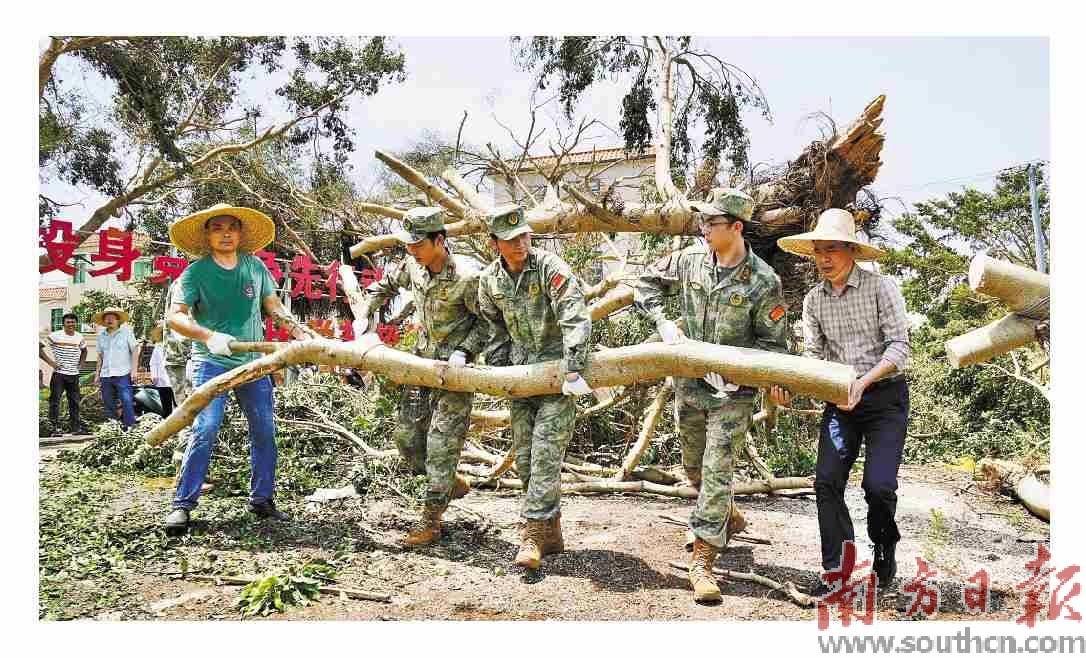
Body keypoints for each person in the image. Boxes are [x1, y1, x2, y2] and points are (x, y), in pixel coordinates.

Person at [633, 188, 791, 603]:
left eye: (711, 222)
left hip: (733, 394)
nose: (702, 228)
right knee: (695, 471)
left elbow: (775, 346)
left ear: (736, 228)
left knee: (718, 470)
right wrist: (664, 322)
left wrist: (748, 378)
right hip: (690, 385)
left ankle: (702, 561)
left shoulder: (763, 281)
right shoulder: (687, 261)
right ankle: (728, 515)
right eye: (702, 221)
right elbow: (643, 285)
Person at [777, 208, 911, 595]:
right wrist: (790, 385)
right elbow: (813, 358)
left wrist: (863, 383)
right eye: (818, 250)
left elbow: (900, 346)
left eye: (832, 248)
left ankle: (885, 549)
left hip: (885, 398)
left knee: (879, 486)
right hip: (839, 404)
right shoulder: (814, 301)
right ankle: (836, 569)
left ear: (851, 250)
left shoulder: (881, 288)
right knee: (827, 481)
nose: (824, 258)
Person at [162, 203, 317, 534]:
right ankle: (183, 505)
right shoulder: (195, 273)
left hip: (252, 362)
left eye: (231, 227)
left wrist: (302, 335)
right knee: (205, 429)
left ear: (241, 233)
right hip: (210, 360)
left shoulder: (255, 267)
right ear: (207, 235)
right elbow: (175, 316)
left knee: (264, 430)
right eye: (217, 227)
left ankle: (262, 499)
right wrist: (209, 335)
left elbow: (274, 307)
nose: (226, 233)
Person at [354, 206, 490, 546]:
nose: (411, 250)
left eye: (417, 244)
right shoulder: (412, 265)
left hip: (455, 373)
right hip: (420, 367)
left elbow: (489, 322)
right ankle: (449, 481)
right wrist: (365, 314)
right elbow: (383, 286)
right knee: (407, 441)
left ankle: (431, 522)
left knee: (441, 446)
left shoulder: (468, 277)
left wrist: (466, 351)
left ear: (439, 240)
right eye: (409, 244)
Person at [476, 204, 594, 570]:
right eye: (511, 239)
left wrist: (573, 368)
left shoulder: (549, 269)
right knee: (525, 461)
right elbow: (493, 329)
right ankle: (552, 531)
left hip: (560, 379)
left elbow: (576, 317)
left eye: (524, 235)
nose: (520, 244)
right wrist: (499, 375)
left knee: (544, 455)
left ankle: (531, 535)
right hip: (520, 380)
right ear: (495, 242)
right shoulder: (490, 281)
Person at [40, 312, 87, 435]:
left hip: (74, 375)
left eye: (73, 322)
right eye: (68, 322)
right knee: (55, 401)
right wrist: (51, 363)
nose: (71, 324)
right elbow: (38, 347)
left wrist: (81, 365)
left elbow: (84, 351)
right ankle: (54, 428)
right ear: (63, 323)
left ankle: (76, 429)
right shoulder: (55, 336)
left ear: (76, 323)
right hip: (59, 374)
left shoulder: (79, 337)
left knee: (75, 402)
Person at [93, 306, 139, 430]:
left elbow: (135, 350)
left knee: (126, 400)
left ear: (118, 320)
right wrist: (97, 374)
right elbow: (100, 356)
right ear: (104, 321)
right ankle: (113, 429)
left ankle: (130, 427)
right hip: (106, 374)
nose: (109, 320)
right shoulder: (101, 336)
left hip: (123, 373)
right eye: (107, 318)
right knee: (108, 403)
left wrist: (134, 370)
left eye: (112, 317)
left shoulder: (126, 332)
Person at [147, 325, 174, 417]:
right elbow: (153, 363)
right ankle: (167, 424)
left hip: (177, 381)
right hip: (162, 380)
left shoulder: (180, 345)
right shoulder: (158, 347)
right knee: (166, 406)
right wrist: (154, 375)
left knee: (179, 405)